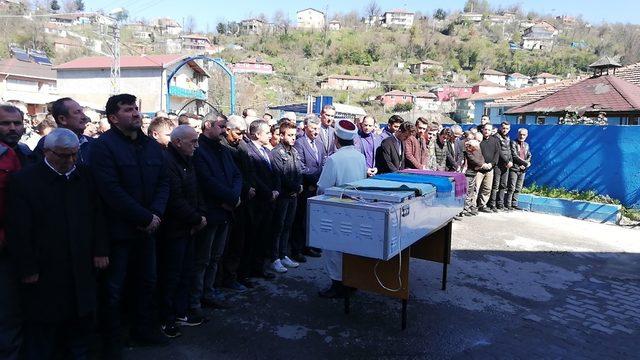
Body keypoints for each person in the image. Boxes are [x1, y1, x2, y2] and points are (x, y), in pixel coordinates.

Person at [8, 128, 108, 359]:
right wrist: (28, 267)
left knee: (80, 322)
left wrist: (100, 250)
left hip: (81, 262)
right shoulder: (25, 181)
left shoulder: (84, 175)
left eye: (74, 155)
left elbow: (98, 215)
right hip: (46, 265)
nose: (69, 161)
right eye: (63, 155)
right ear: (47, 152)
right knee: (44, 326)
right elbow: (19, 228)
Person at [91, 94, 170, 356]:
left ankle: (143, 330)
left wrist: (155, 213)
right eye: (128, 110)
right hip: (119, 232)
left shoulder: (150, 146)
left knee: (147, 282)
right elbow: (110, 190)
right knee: (114, 289)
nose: (136, 114)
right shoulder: (103, 147)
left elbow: (163, 182)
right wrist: (144, 217)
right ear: (113, 118)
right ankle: (112, 341)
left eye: (136, 109)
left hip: (148, 230)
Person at [158, 125, 206, 338]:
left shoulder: (187, 161)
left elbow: (195, 191)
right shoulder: (168, 162)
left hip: (187, 228)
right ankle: (165, 318)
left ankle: (180, 312)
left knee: (185, 272)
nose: (197, 146)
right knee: (171, 275)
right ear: (178, 142)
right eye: (193, 142)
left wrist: (200, 215)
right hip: (174, 230)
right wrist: (196, 218)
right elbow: (174, 199)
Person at [191, 117, 242, 314]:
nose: (224, 130)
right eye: (221, 127)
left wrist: (234, 197)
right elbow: (206, 181)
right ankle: (196, 299)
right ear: (207, 126)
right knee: (202, 258)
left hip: (226, 211)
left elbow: (236, 175)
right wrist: (230, 197)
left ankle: (209, 291)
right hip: (211, 212)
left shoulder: (223, 149)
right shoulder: (199, 150)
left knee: (216, 256)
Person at [317, 120, 367, 298]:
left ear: (336, 138)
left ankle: (337, 285)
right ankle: (352, 282)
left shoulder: (334, 159)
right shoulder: (360, 156)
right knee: (351, 247)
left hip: (336, 209)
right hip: (356, 208)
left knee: (334, 249)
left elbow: (323, 187)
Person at [218, 115, 256, 291]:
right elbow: (231, 175)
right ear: (227, 130)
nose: (240, 137)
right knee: (228, 244)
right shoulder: (222, 147)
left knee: (241, 241)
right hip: (231, 200)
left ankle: (239, 274)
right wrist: (242, 189)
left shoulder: (241, 145)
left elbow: (247, 170)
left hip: (245, 200)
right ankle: (226, 278)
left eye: (242, 133)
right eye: (238, 133)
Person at [245, 120, 280, 280]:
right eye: (267, 132)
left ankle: (260, 267)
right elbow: (254, 177)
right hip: (258, 202)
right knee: (254, 237)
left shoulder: (266, 151)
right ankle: (251, 270)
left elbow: (274, 173)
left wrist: (276, 190)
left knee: (264, 236)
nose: (270, 135)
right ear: (257, 134)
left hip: (269, 201)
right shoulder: (249, 152)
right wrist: (268, 192)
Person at [270, 122, 303, 273]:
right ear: (281, 135)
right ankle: (274, 258)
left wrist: (299, 185)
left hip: (293, 196)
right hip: (283, 196)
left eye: (294, 135)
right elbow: (281, 175)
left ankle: (283, 255)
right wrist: (296, 187)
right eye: (289, 135)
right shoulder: (277, 153)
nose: (293, 138)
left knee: (288, 225)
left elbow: (298, 170)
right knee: (278, 227)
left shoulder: (294, 151)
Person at [0, 131, 22, 360]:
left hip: (9, 242)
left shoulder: (17, 154)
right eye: (5, 124)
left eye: (16, 123)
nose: (12, 128)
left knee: (8, 311)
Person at [292, 115, 325, 261]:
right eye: (313, 129)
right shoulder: (299, 143)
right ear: (306, 127)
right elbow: (301, 167)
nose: (316, 132)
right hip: (305, 188)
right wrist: (315, 179)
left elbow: (324, 162)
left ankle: (309, 245)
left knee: (311, 219)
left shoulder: (319, 143)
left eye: (318, 129)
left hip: (315, 187)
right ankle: (297, 249)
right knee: (300, 220)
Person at [489, 122, 513, 211]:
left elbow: (509, 151)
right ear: (500, 127)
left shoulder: (508, 137)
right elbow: (499, 151)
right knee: (495, 185)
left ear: (509, 129)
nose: (505, 130)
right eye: (503, 128)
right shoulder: (496, 137)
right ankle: (492, 204)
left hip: (506, 165)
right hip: (498, 165)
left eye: (507, 128)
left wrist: (510, 161)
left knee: (503, 185)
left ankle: (500, 203)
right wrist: (507, 161)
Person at [476, 123, 500, 213]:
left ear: (491, 131)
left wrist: (492, 164)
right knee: (476, 188)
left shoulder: (495, 141)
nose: (487, 131)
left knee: (487, 188)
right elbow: (475, 153)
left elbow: (497, 153)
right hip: (479, 168)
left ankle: (482, 205)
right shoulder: (479, 139)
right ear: (482, 129)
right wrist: (481, 164)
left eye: (489, 130)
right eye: (485, 129)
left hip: (490, 168)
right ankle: (472, 206)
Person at [506, 128, 532, 210]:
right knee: (511, 187)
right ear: (518, 134)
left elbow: (529, 155)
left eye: (524, 135)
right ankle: (508, 204)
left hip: (523, 170)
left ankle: (514, 204)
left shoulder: (526, 145)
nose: (522, 136)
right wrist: (524, 163)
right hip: (514, 168)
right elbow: (514, 155)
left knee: (518, 188)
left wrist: (526, 164)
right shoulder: (513, 143)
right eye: (520, 134)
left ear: (526, 135)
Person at [462, 139, 485, 216]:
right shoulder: (467, 152)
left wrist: (480, 165)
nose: (477, 149)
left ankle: (467, 208)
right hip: (468, 174)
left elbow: (482, 159)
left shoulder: (476, 151)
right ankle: (464, 209)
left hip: (474, 173)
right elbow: (473, 160)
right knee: (467, 192)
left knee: (470, 192)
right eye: (475, 147)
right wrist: (480, 164)